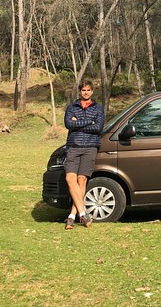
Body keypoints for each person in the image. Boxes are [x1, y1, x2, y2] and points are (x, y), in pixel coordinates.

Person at [63, 80, 104, 229]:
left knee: (82, 181)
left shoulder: (98, 108)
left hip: (90, 147)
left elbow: (98, 127)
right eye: (83, 90)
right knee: (70, 179)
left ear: (92, 92)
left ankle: (71, 217)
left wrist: (79, 122)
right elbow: (68, 124)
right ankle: (83, 214)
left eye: (88, 90)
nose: (86, 92)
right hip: (74, 146)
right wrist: (89, 122)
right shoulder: (71, 107)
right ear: (80, 92)